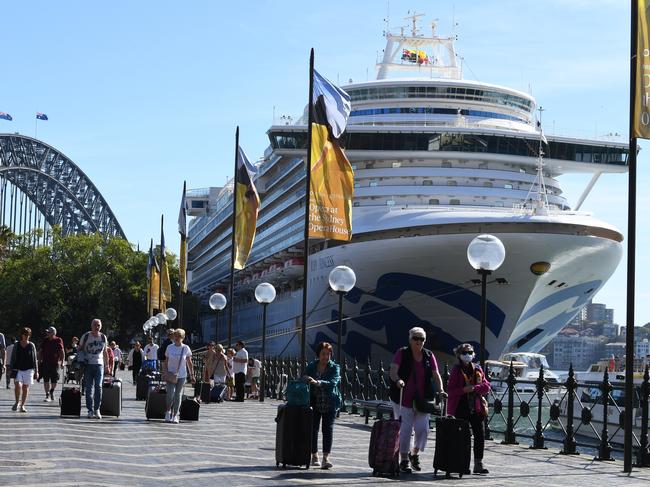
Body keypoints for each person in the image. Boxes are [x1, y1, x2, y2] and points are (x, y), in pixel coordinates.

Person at [389, 327, 446, 474]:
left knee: (423, 429)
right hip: (403, 399)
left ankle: (414, 454)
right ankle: (404, 460)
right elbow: (393, 370)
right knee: (405, 430)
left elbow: (436, 374)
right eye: (416, 338)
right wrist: (398, 380)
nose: (419, 341)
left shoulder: (428, 355)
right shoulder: (402, 353)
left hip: (423, 400)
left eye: (422, 339)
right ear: (410, 339)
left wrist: (440, 390)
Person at [447, 343, 491, 475]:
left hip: (476, 408)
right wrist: (463, 390)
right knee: (463, 438)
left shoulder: (477, 368)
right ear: (459, 355)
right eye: (465, 353)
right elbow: (451, 391)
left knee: (480, 435)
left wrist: (474, 388)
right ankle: (463, 464)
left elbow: (486, 386)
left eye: (470, 352)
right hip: (460, 407)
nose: (468, 355)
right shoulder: (456, 370)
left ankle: (478, 463)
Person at [303, 342, 342, 470]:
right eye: (323, 354)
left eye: (328, 354)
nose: (326, 357)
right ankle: (314, 455)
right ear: (318, 354)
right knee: (313, 429)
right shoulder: (312, 366)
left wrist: (317, 382)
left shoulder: (334, 367)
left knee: (328, 429)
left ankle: (326, 458)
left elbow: (333, 382)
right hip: (314, 401)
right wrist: (306, 378)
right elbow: (303, 376)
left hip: (330, 401)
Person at [79, 319, 110, 419]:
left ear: (100, 326)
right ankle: (90, 410)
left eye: (98, 325)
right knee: (88, 388)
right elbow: (79, 349)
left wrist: (107, 365)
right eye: (95, 325)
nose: (97, 327)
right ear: (91, 326)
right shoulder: (86, 336)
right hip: (88, 365)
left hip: (99, 365)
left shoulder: (103, 337)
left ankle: (97, 409)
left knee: (98, 387)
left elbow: (105, 352)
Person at [163, 329, 195, 423]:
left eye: (179, 336)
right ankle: (168, 411)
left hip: (181, 374)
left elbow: (189, 362)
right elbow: (166, 361)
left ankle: (175, 414)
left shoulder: (186, 348)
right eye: (176, 336)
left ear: (183, 338)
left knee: (178, 395)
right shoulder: (169, 347)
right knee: (170, 394)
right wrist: (164, 372)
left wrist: (192, 375)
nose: (177, 338)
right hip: (170, 374)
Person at [9, 327, 39, 412]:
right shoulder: (16, 344)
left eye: (28, 335)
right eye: (25, 334)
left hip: (29, 369)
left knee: (25, 387)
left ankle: (22, 405)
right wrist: (10, 368)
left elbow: (35, 358)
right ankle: (16, 402)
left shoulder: (31, 345)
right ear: (21, 335)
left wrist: (37, 371)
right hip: (18, 369)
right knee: (18, 385)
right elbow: (12, 357)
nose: (27, 336)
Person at [39, 326, 65, 402]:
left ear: (53, 333)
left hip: (55, 362)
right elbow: (40, 351)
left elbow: (62, 351)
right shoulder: (45, 340)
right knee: (46, 379)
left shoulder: (58, 340)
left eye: (49, 332)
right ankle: (47, 395)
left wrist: (62, 362)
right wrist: (39, 361)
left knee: (55, 379)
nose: (47, 333)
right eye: (47, 332)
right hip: (45, 362)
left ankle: (51, 391)